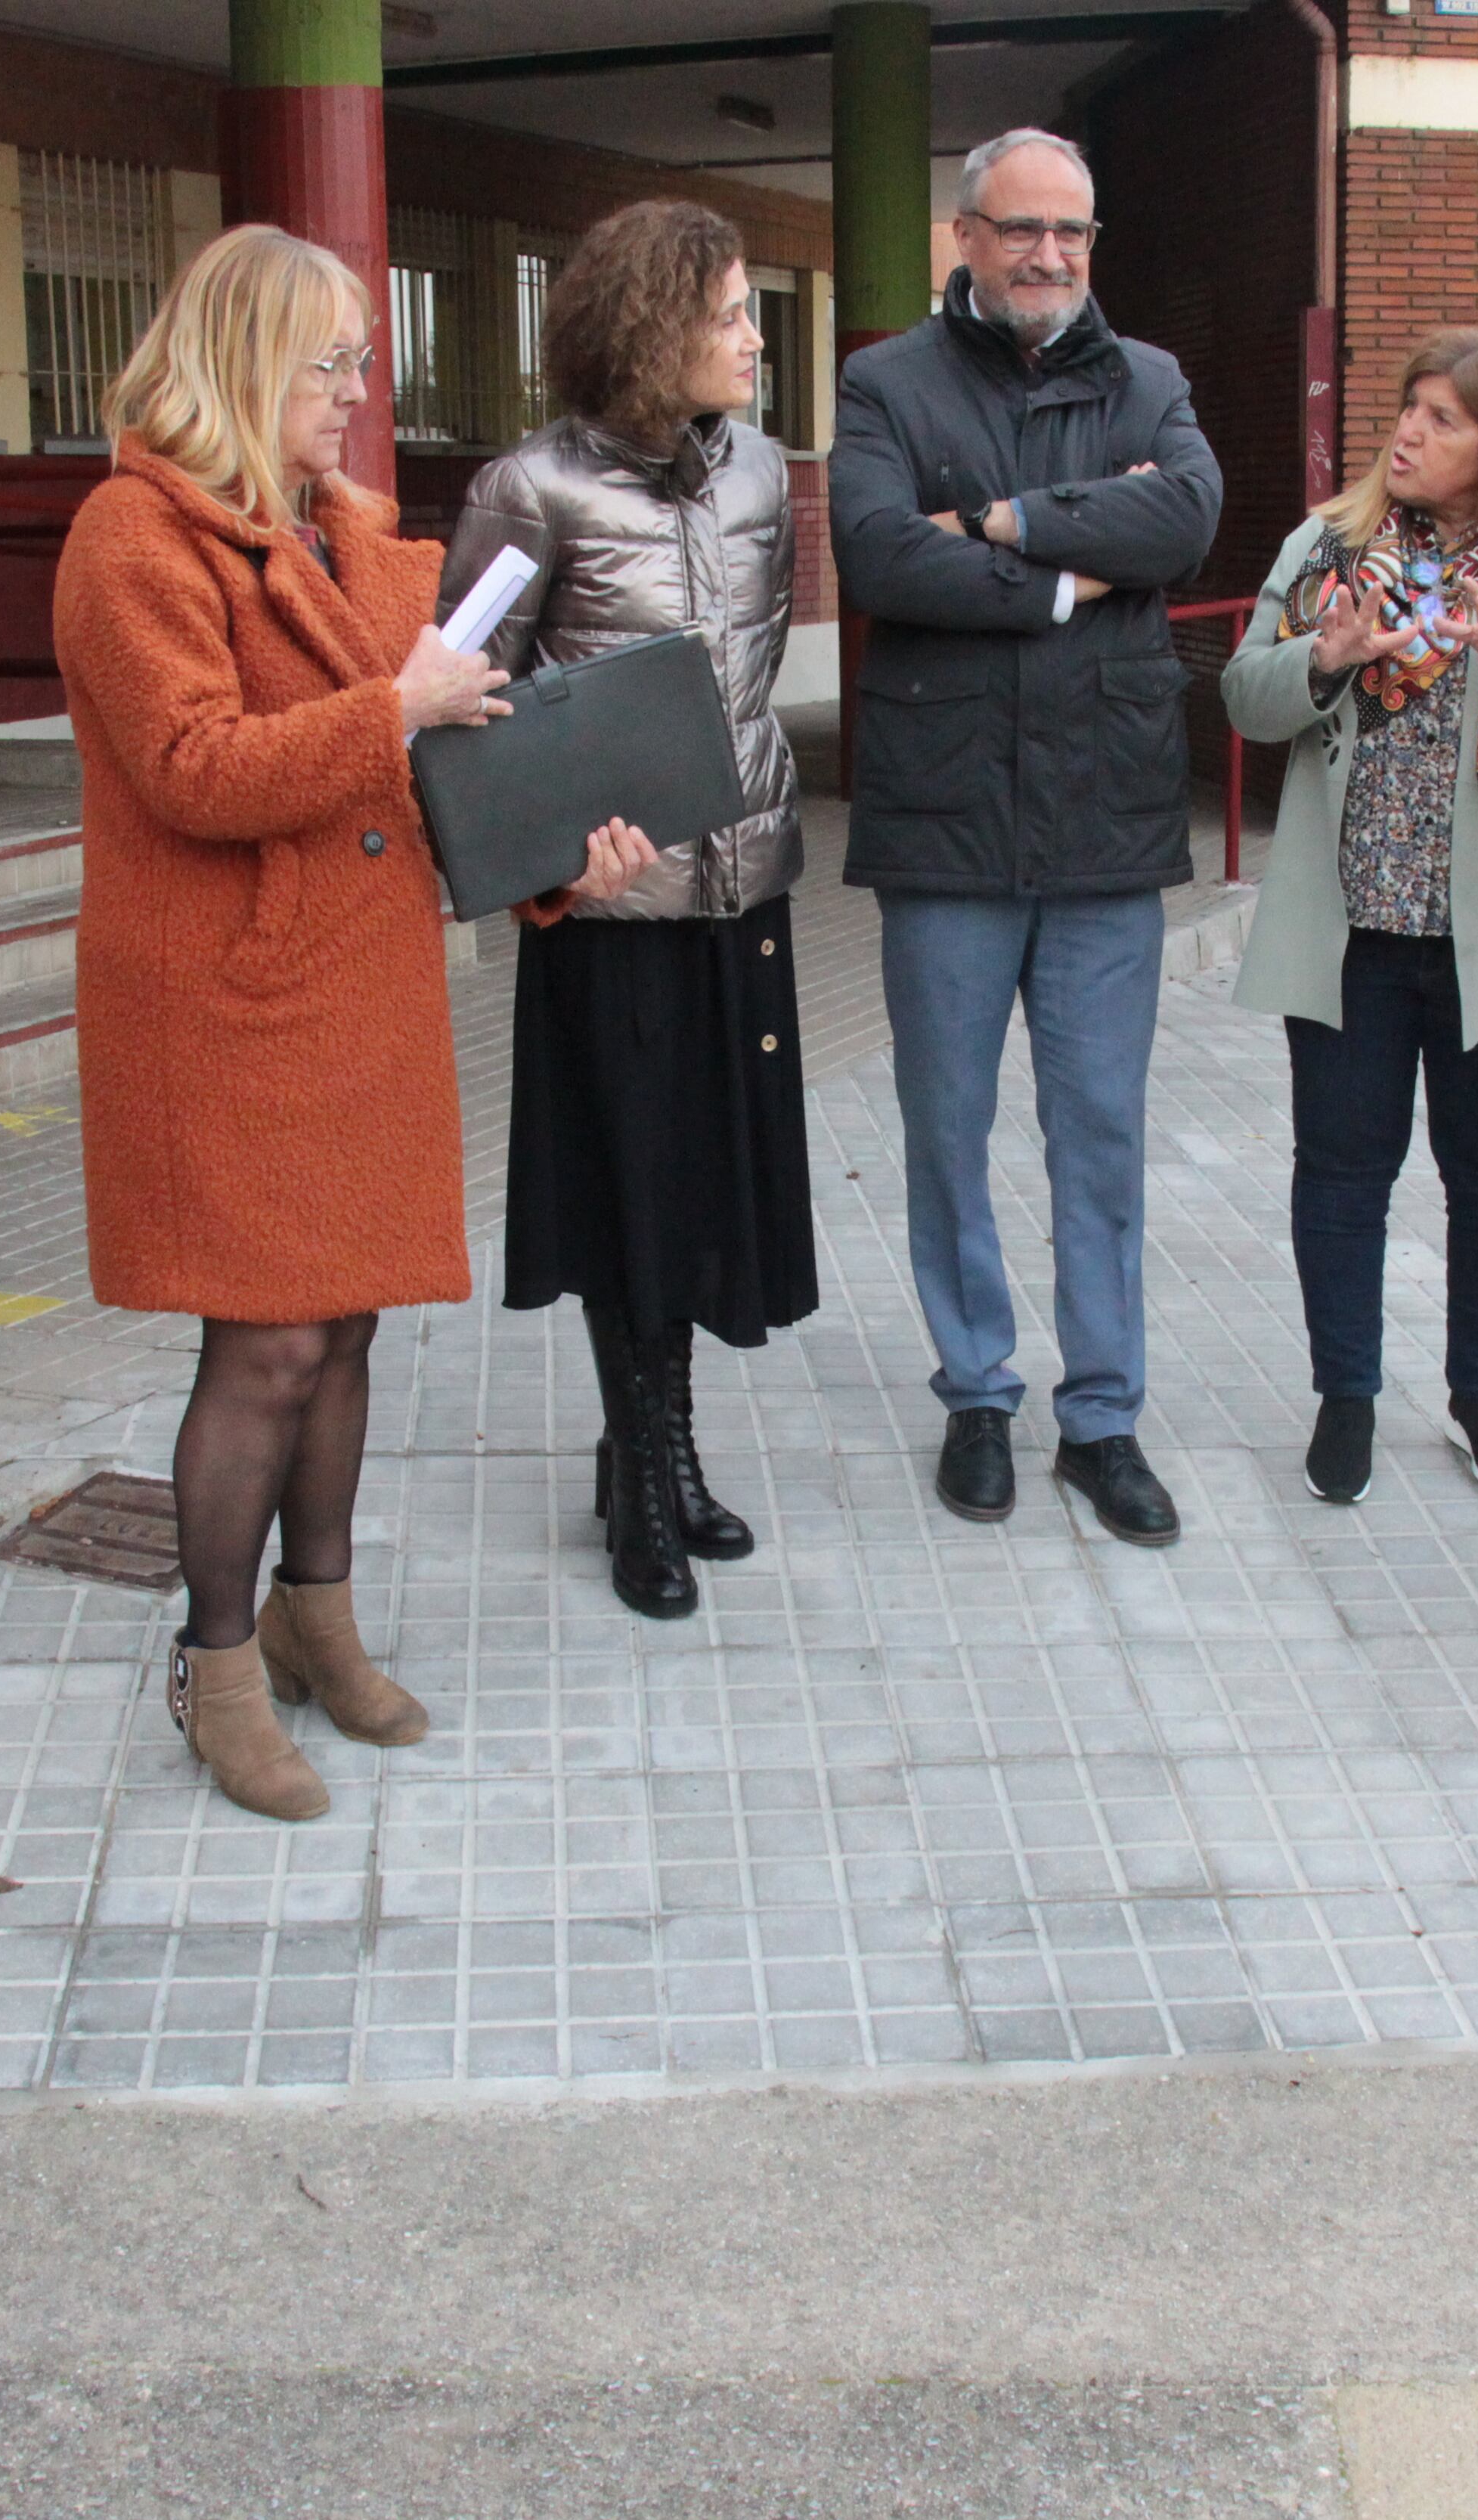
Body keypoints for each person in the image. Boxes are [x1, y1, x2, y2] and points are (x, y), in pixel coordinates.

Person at [54, 225, 647, 1822]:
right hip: (229, 1009)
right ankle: (218, 1662)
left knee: (351, 1323)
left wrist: (555, 857)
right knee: (263, 1345)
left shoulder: (359, 545)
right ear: (244, 361)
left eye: (360, 364)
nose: (354, 395)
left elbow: (448, 771)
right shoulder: (132, 538)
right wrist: (394, 707)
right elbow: (193, 770)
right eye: (331, 363)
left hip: (357, 995)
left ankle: (321, 1622)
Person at [829, 126, 1222, 1545]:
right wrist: (1066, 582)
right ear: (967, 236)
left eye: (1070, 232)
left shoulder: (1152, 381)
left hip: (1107, 826)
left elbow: (1183, 517)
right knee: (948, 1127)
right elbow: (876, 550)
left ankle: (1102, 1416)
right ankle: (979, 1394)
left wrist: (1000, 522)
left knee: (1100, 1134)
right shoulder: (886, 380)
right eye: (1019, 229)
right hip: (945, 828)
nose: (1047, 255)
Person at [445, 200, 811, 1623]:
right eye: (727, 311)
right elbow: (463, 711)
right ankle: (649, 1479)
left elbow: (755, 681)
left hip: (743, 893)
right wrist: (547, 865)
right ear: (651, 327)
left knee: (708, 1193)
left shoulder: (767, 475)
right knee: (631, 1197)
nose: (752, 333)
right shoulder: (529, 488)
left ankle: (655, 1444)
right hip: (607, 915)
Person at [1221, 328, 1478, 1504]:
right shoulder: (1328, 545)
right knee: (1341, 1171)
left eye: (1444, 419)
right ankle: (1347, 1396)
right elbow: (1246, 698)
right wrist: (1324, 663)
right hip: (1352, 933)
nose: (1407, 433)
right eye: (1408, 408)